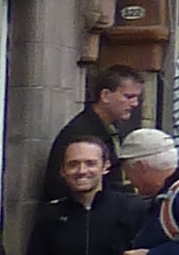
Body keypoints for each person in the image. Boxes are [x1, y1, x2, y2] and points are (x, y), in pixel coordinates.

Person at [44, 64, 143, 205]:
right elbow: (59, 185)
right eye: (128, 96)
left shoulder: (110, 129)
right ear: (105, 95)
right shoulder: (81, 132)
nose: (135, 103)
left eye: (137, 97)